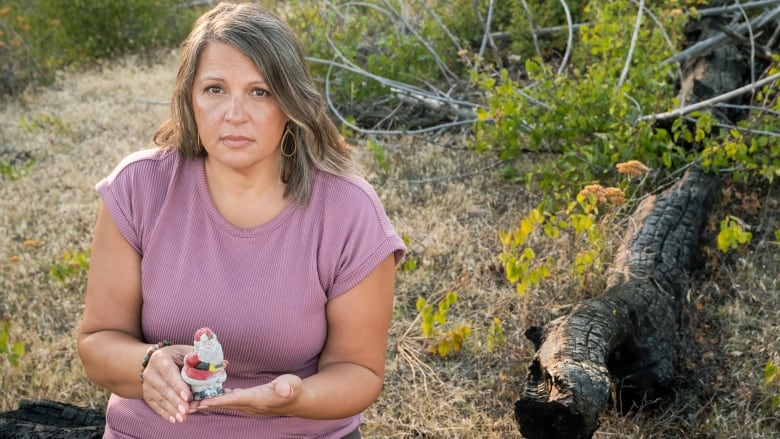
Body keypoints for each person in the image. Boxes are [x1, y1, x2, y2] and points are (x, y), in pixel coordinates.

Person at [76, 2, 406, 438]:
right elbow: (99, 340)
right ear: (189, 97)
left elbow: (359, 370)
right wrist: (146, 364)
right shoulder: (139, 188)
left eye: (260, 91)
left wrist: (296, 397)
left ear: (290, 103)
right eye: (215, 89)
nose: (234, 114)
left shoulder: (348, 211)